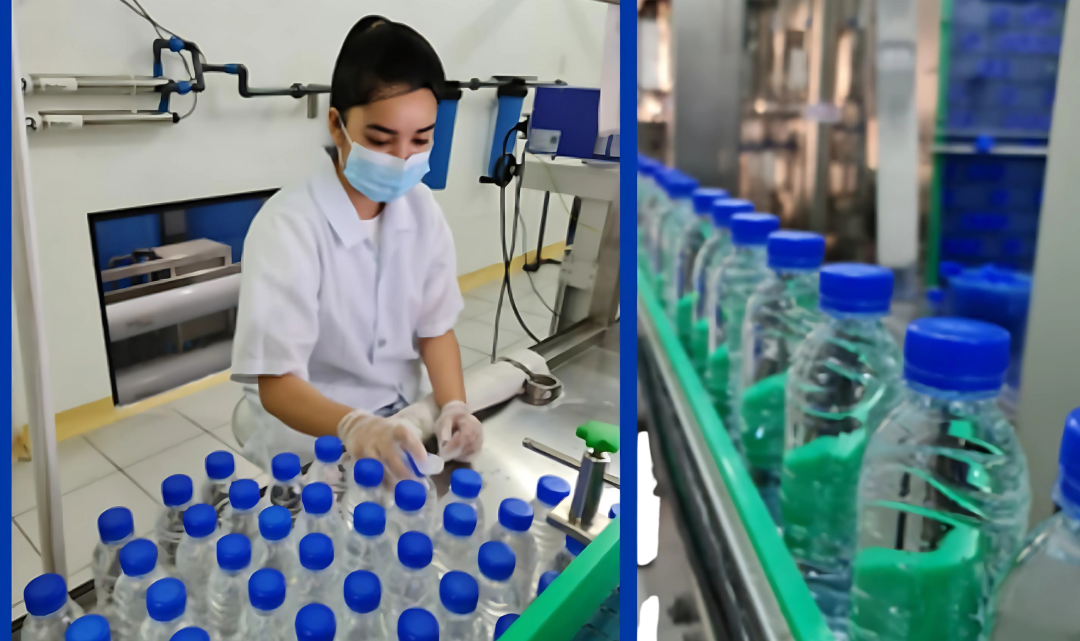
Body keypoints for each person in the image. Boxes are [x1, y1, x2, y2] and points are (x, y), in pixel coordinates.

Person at [230, 15, 482, 481]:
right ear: (337, 125)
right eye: (381, 140)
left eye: (421, 139)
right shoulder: (288, 227)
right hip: (310, 436)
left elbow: (435, 327)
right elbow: (277, 384)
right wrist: (354, 425)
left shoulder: (423, 212)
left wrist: (455, 405)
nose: (402, 158)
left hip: (402, 420)